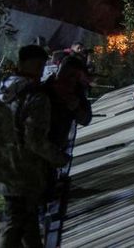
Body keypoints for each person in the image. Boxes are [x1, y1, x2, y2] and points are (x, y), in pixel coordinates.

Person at [0, 45, 67, 248]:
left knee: (27, 221)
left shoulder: (0, 88)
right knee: (14, 221)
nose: (43, 70)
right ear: (37, 65)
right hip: (25, 171)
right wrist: (59, 158)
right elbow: (35, 139)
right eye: (41, 65)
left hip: (0, 167)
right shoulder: (36, 95)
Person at [41, 56, 91, 202]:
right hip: (39, 150)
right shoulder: (44, 90)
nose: (70, 80)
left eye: (74, 77)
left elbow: (86, 119)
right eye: (68, 75)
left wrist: (75, 107)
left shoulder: (76, 93)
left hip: (58, 147)